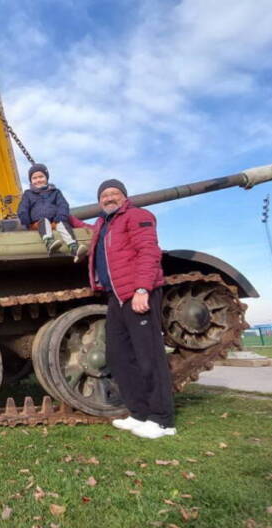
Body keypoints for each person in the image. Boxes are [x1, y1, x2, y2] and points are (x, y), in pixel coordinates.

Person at [70, 178, 174, 439]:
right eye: (104, 195)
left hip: (137, 294)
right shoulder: (104, 225)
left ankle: (162, 420)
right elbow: (86, 229)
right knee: (118, 356)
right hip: (116, 297)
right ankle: (139, 413)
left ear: (124, 197)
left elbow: (148, 252)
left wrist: (142, 290)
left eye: (114, 193)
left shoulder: (137, 216)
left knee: (148, 356)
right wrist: (65, 218)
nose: (108, 198)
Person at [17, 163, 74, 254]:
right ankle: (49, 242)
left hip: (55, 221)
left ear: (46, 178)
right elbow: (23, 207)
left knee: (63, 225)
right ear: (31, 181)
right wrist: (26, 221)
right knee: (43, 221)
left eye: (41, 177)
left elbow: (63, 205)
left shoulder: (55, 192)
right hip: (37, 222)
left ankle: (73, 246)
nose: (38, 180)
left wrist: (61, 216)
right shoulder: (28, 194)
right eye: (34, 178)